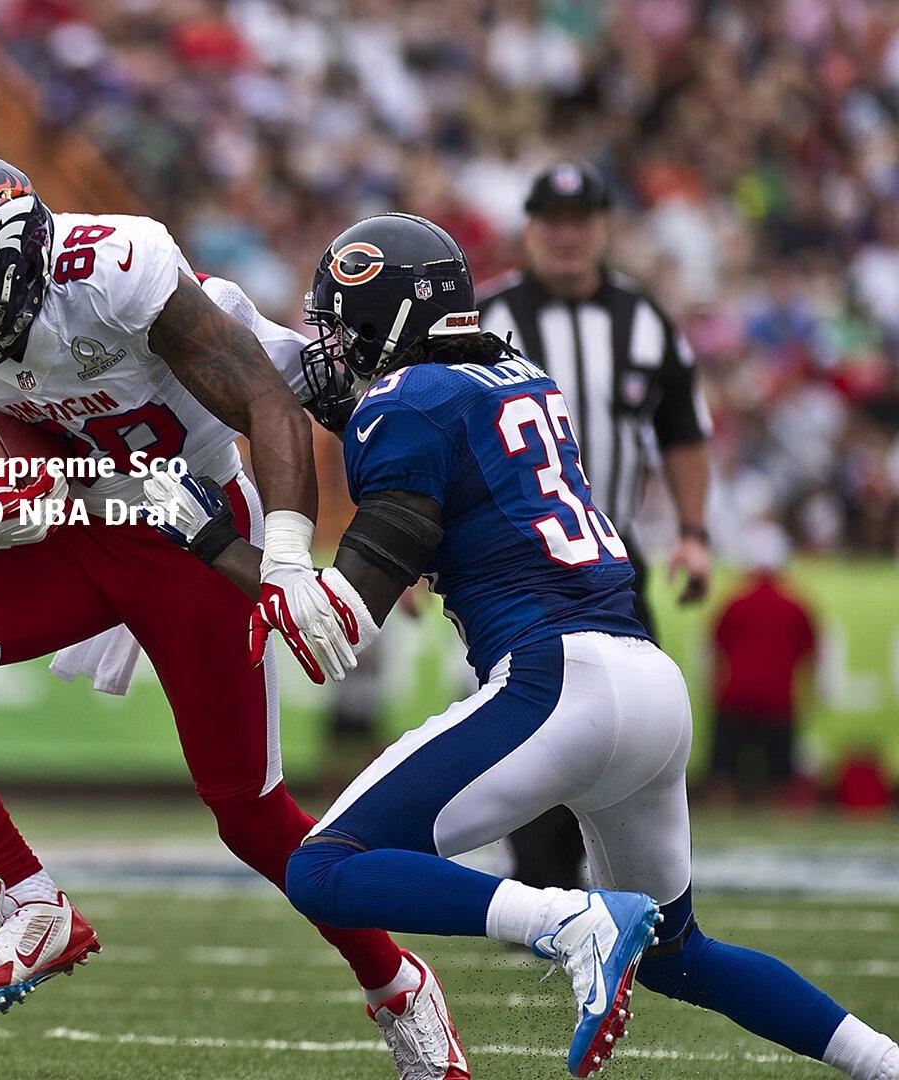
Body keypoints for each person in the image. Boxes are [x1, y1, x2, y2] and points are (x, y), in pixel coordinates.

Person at [145, 211, 899, 1079]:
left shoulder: (405, 406)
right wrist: (353, 411)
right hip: (648, 687)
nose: (333, 346)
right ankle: (881, 1060)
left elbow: (339, 630)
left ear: (386, 324)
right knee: (679, 953)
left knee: (325, 869)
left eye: (343, 325)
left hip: (556, 682)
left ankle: (568, 922)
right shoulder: (518, 373)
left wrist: (214, 544)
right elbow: (447, 449)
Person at [0, 153, 467, 1080]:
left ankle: (397, 984)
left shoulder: (117, 272)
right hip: (79, 520)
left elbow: (270, 407)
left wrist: (293, 559)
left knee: (252, 820)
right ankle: (29, 903)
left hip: (198, 526)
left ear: (21, 273)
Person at [480, 161, 714, 894]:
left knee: (635, 725)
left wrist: (695, 531)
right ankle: (541, 887)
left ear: (603, 228)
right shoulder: (486, 319)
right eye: (552, 221)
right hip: (515, 562)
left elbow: (682, 431)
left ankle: (628, 887)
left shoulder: (644, 321)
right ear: (530, 228)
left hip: (615, 557)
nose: (566, 236)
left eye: (580, 221)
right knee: (529, 721)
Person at [707, 524, 816, 805]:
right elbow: (811, 654)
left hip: (735, 694)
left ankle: (724, 809)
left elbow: (714, 648)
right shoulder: (796, 605)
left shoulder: (735, 602)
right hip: (778, 699)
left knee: (723, 773)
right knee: (781, 779)